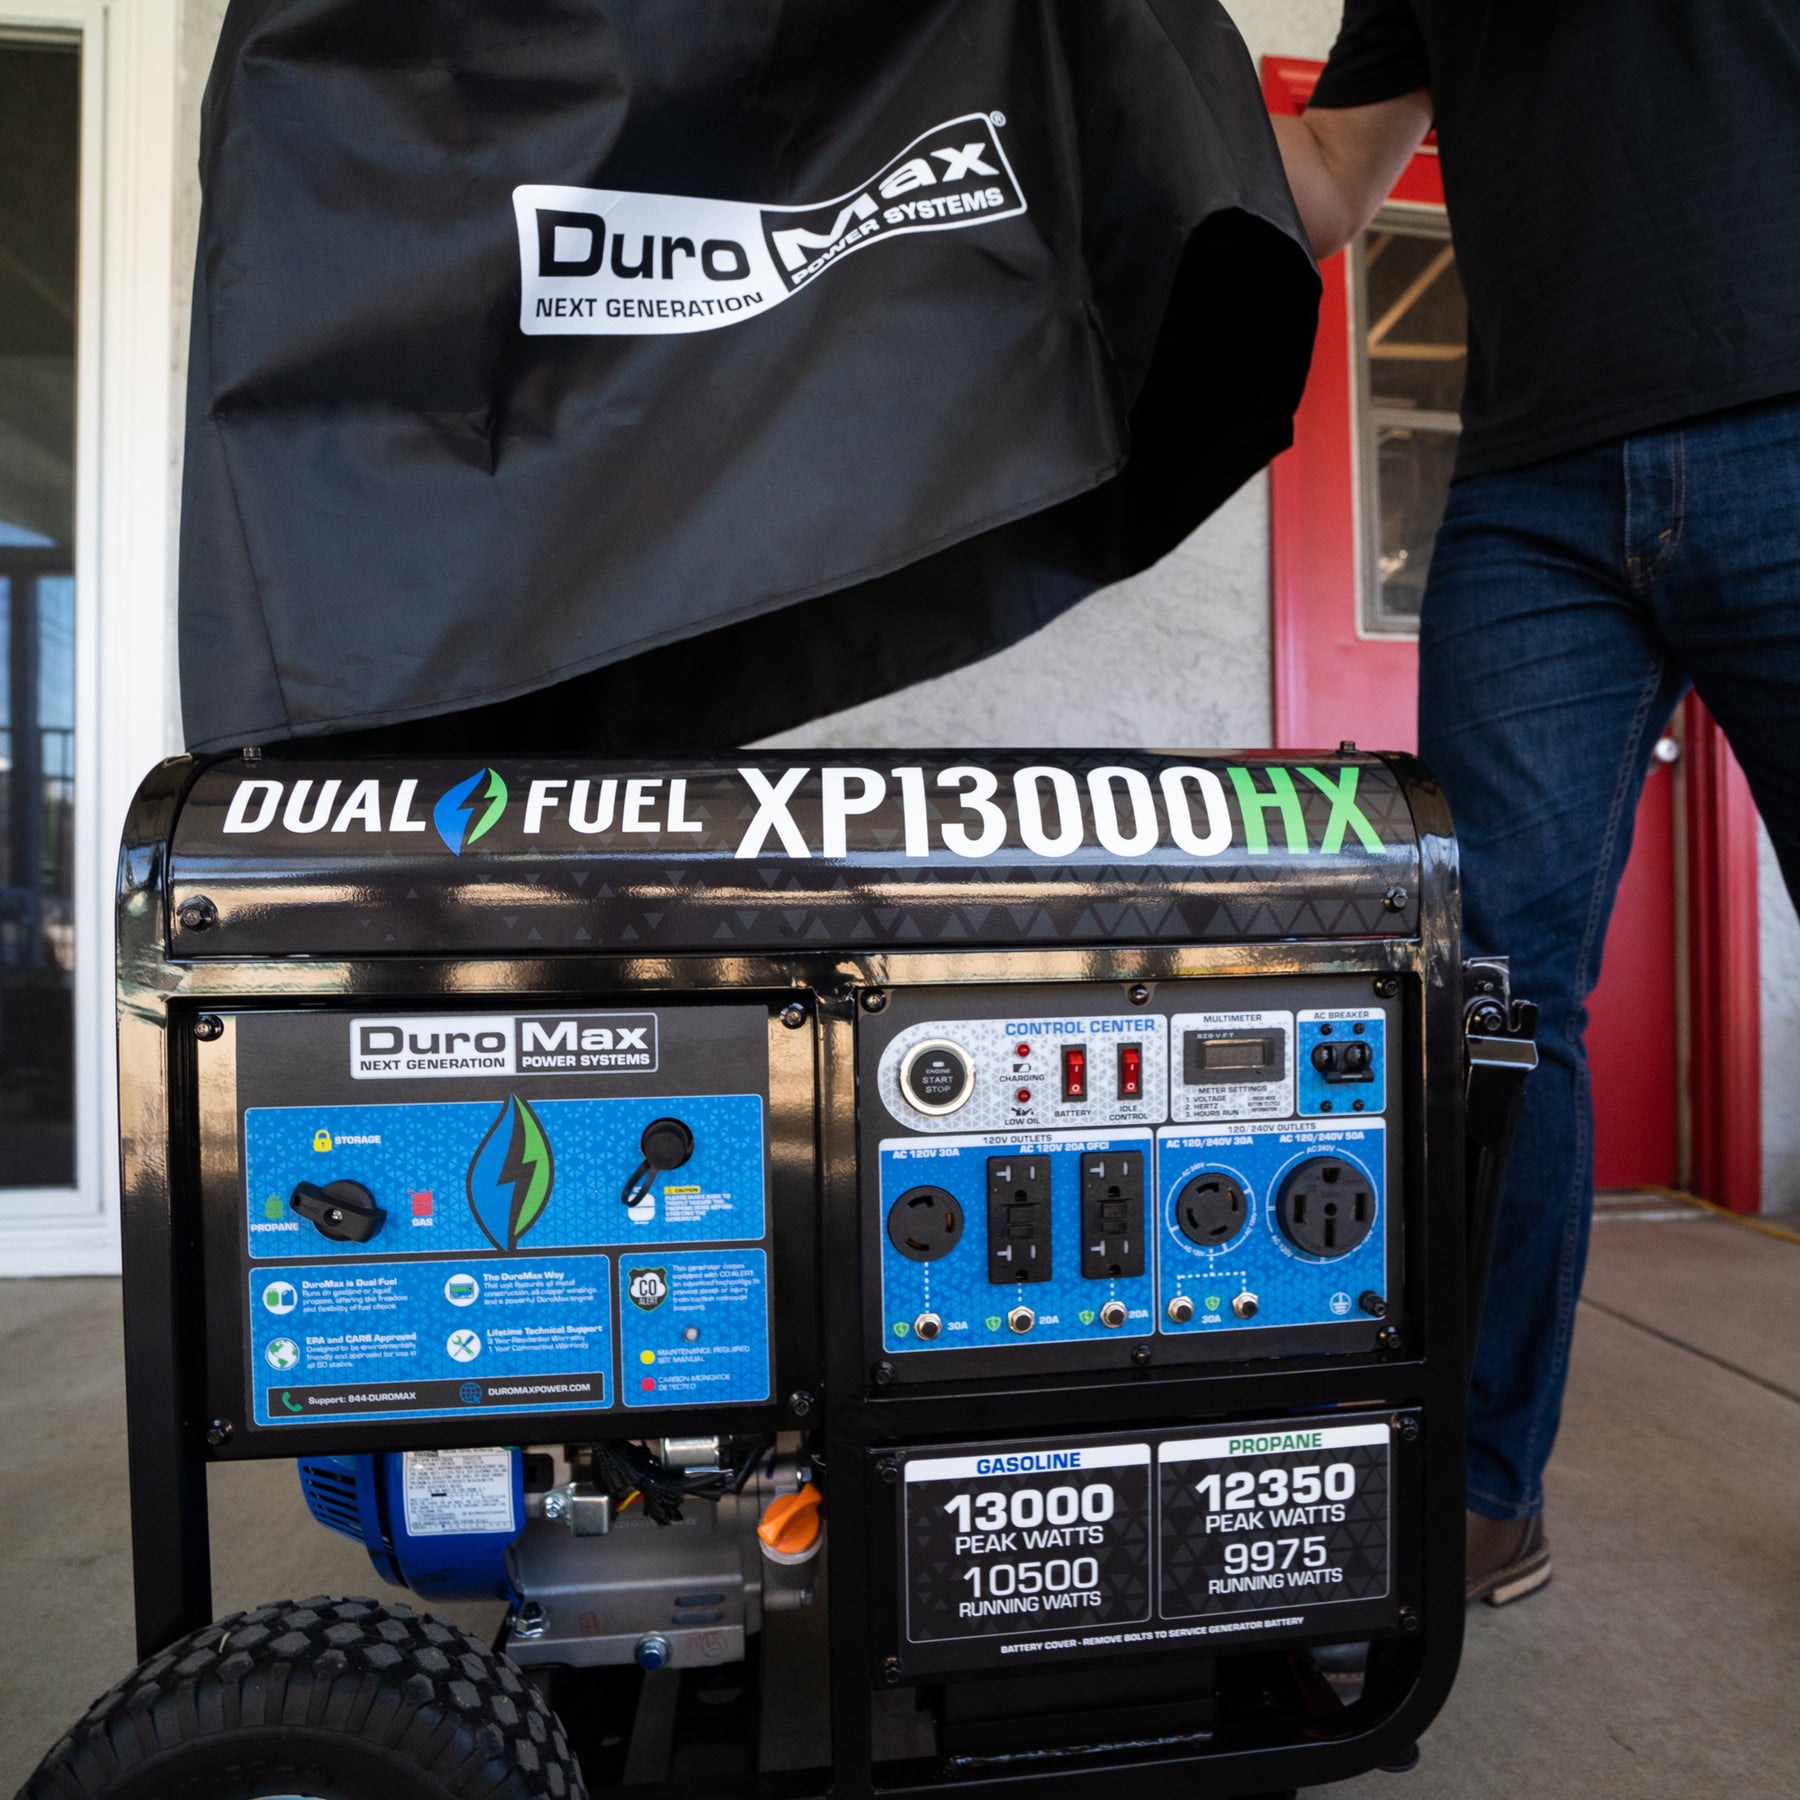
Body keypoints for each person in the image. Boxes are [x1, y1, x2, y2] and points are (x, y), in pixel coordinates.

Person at [1273, 1, 1800, 1605]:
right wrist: (1105, 76)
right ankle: (1483, 1485)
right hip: (1532, 493)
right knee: (1486, 993)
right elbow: (1327, 178)